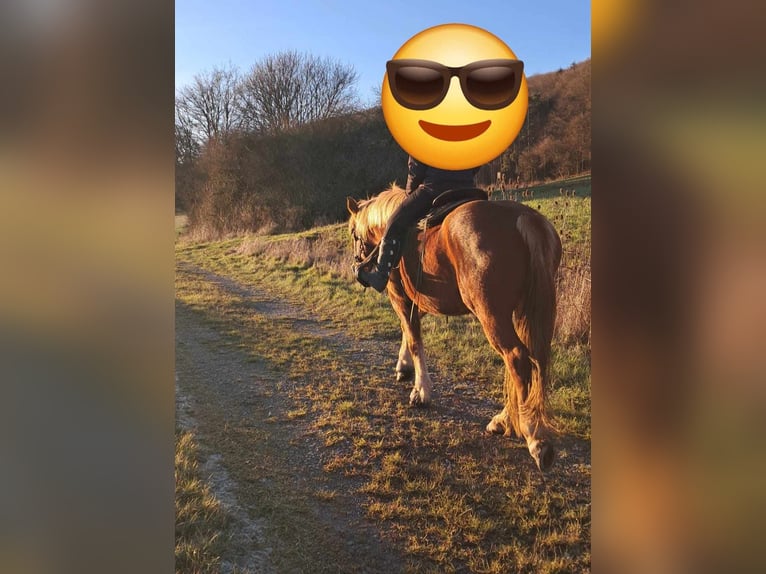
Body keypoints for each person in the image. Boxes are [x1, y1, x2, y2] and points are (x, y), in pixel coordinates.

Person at [355, 155, 479, 292]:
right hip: (468, 188)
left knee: (393, 223)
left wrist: (410, 192)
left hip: (435, 188)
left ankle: (380, 275)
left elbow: (416, 167)